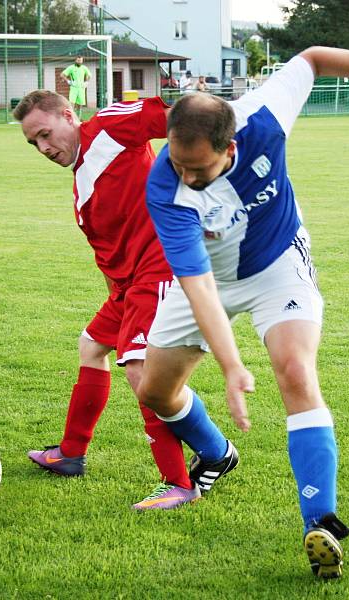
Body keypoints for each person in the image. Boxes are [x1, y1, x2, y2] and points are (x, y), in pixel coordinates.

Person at [137, 46, 349, 578]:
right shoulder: (165, 187)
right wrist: (230, 366)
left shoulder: (264, 115)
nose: (186, 175)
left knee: (296, 371)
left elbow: (314, 58)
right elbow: (200, 287)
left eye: (198, 167)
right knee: (155, 392)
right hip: (207, 279)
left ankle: (318, 522)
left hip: (277, 266)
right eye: (178, 162)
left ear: (230, 146)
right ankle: (216, 452)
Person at [12, 90, 218, 510]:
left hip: (160, 268)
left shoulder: (108, 128)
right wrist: (116, 297)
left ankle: (180, 482)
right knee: (91, 345)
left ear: (69, 116)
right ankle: (71, 453)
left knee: (142, 373)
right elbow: (109, 251)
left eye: (47, 134)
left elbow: (180, 116)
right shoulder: (82, 179)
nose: (44, 148)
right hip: (128, 286)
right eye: (34, 142)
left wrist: (200, 172)